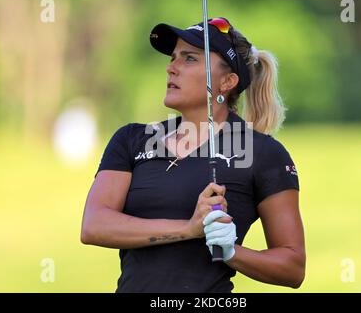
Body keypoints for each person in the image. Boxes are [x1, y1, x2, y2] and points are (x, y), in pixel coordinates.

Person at [81, 17, 305, 293]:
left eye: (189, 59)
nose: (171, 68)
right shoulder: (131, 139)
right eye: (173, 57)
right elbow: (94, 225)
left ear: (227, 82)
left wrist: (233, 253)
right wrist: (188, 229)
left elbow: (293, 267)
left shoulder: (264, 153)